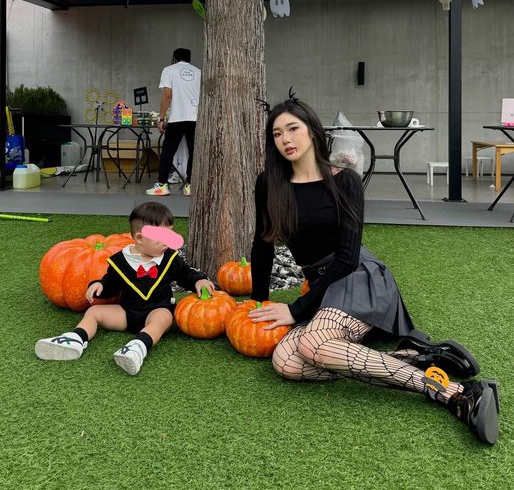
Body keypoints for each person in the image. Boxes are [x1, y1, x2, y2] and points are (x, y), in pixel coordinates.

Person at [249, 94, 499, 445]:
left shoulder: (345, 181)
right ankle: (416, 357)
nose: (286, 139)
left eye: (293, 129)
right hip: (322, 286)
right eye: (277, 134)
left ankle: (456, 393)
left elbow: (347, 258)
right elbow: (262, 245)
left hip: (357, 276)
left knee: (313, 344)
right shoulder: (269, 184)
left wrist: (295, 310)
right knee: (287, 362)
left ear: (313, 131)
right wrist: (256, 302)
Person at [35, 202, 214, 375]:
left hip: (156, 310)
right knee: (94, 312)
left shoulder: (169, 258)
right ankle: (76, 338)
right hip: (127, 313)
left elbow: (185, 274)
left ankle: (138, 347)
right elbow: (112, 284)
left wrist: (198, 281)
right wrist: (100, 285)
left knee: (164, 317)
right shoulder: (120, 261)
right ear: (140, 238)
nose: (167, 242)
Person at [146, 47, 201, 197]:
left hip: (177, 117)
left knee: (168, 151)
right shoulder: (199, 72)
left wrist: (161, 118)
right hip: (195, 117)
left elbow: (167, 95)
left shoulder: (169, 70)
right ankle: (190, 185)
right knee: (194, 152)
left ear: (174, 58)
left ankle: (162, 185)